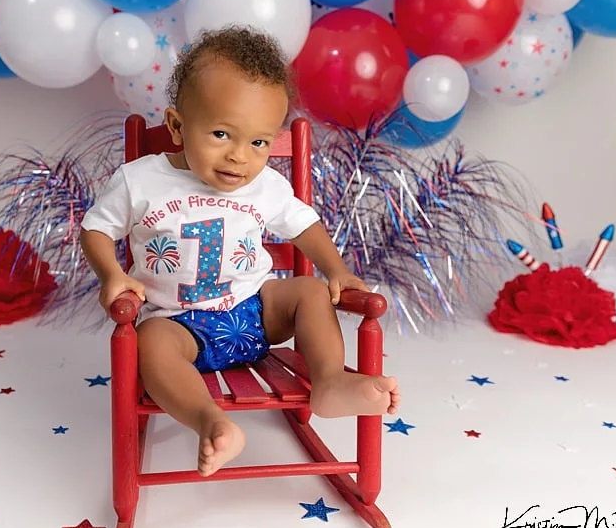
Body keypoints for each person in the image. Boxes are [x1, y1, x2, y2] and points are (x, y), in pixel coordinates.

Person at [80, 26, 400, 478]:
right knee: (150, 346)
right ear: (176, 126)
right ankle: (211, 423)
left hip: (253, 313)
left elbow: (303, 224)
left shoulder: (265, 185)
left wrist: (337, 269)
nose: (239, 157)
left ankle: (329, 382)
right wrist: (111, 273)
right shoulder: (140, 180)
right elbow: (95, 228)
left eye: (259, 143)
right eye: (220, 134)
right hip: (177, 324)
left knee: (307, 291)